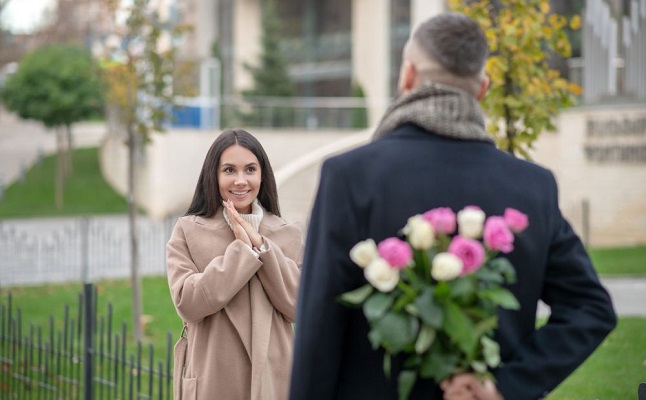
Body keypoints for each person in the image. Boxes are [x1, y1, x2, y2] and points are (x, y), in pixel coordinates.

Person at [289, 12, 616, 400]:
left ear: (407, 76)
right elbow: (591, 308)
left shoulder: (350, 176)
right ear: (482, 89)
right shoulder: (532, 187)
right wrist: (506, 387)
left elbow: (318, 328)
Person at [166, 128, 303, 400]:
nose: (241, 180)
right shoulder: (188, 231)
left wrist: (262, 247)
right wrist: (242, 251)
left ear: (262, 175)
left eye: (250, 169)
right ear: (213, 175)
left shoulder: (288, 234)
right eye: (229, 170)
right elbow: (187, 302)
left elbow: (300, 306)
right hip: (213, 378)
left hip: (274, 380)